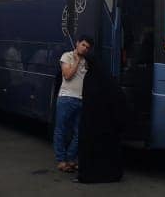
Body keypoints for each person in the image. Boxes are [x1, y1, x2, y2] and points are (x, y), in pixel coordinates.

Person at [76, 53, 128, 183]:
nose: (85, 64)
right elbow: (119, 99)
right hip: (107, 124)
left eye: (86, 62)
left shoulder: (90, 78)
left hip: (91, 123)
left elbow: (88, 101)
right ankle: (110, 174)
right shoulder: (107, 78)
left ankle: (89, 175)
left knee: (90, 149)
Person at [53, 35, 91, 173]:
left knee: (78, 132)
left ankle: (70, 159)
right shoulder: (67, 56)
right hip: (66, 98)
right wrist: (76, 61)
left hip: (81, 100)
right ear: (77, 43)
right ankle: (61, 160)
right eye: (83, 45)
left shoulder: (87, 62)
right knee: (61, 130)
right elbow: (67, 75)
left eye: (87, 47)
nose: (85, 48)